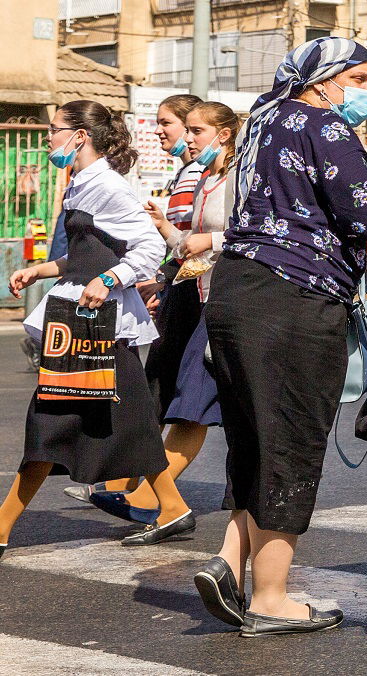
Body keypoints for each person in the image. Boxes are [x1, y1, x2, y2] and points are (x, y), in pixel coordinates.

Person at [192, 37, 367, 637]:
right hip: (292, 300)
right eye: (362, 77)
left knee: (254, 437)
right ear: (323, 80)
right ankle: (270, 598)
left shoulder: (263, 125)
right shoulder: (323, 125)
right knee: (290, 439)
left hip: (237, 292)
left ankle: (228, 563)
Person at [1, 100, 195, 559]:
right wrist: (42, 269)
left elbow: (147, 246)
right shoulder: (82, 183)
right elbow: (94, 250)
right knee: (130, 423)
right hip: (83, 320)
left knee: (49, 420)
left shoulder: (107, 185)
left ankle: (3, 524)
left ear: (79, 136)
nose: (48, 138)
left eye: (54, 130)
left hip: (101, 325)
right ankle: (172, 506)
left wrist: (109, 281)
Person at [87, 102, 240, 529]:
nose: (188, 139)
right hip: (201, 296)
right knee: (188, 399)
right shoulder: (208, 179)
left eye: (196, 130)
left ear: (224, 134)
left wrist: (205, 239)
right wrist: (169, 233)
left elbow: (256, 236)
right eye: (185, 130)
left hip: (232, 302)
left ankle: (156, 496)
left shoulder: (240, 179)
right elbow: (191, 245)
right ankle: (151, 495)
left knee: (198, 401)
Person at [63, 93, 206, 504]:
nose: (160, 130)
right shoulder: (185, 175)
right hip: (178, 290)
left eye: (172, 124)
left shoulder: (205, 176)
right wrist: (161, 279)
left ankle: (151, 496)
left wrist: (147, 277)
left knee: (189, 400)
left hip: (200, 297)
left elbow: (194, 242)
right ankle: (128, 482)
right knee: (155, 392)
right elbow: (174, 244)